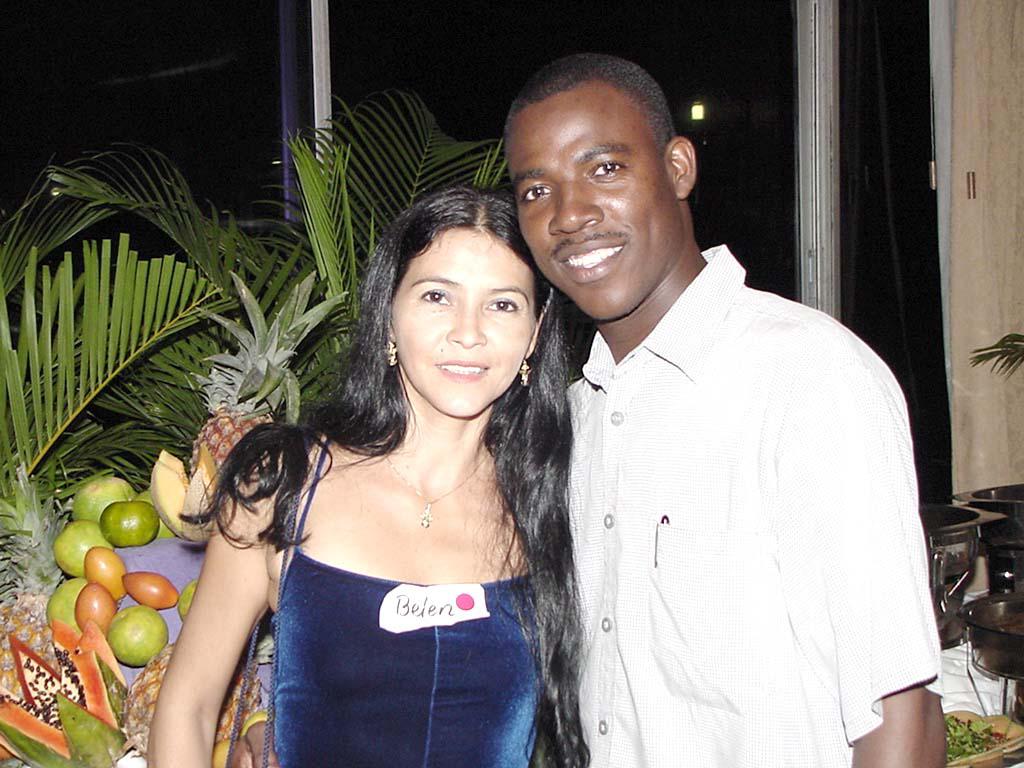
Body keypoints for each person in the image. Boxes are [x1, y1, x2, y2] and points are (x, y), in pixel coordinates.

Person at [501, 53, 945, 767]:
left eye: (605, 169)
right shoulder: (573, 419)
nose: (569, 215)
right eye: (536, 190)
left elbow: (903, 715)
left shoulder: (807, 378)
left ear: (678, 167)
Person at [148, 185, 589, 768]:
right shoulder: (282, 485)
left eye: (502, 304)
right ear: (388, 315)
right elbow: (189, 706)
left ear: (534, 332)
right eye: (437, 296)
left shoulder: (558, 498)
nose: (468, 332)